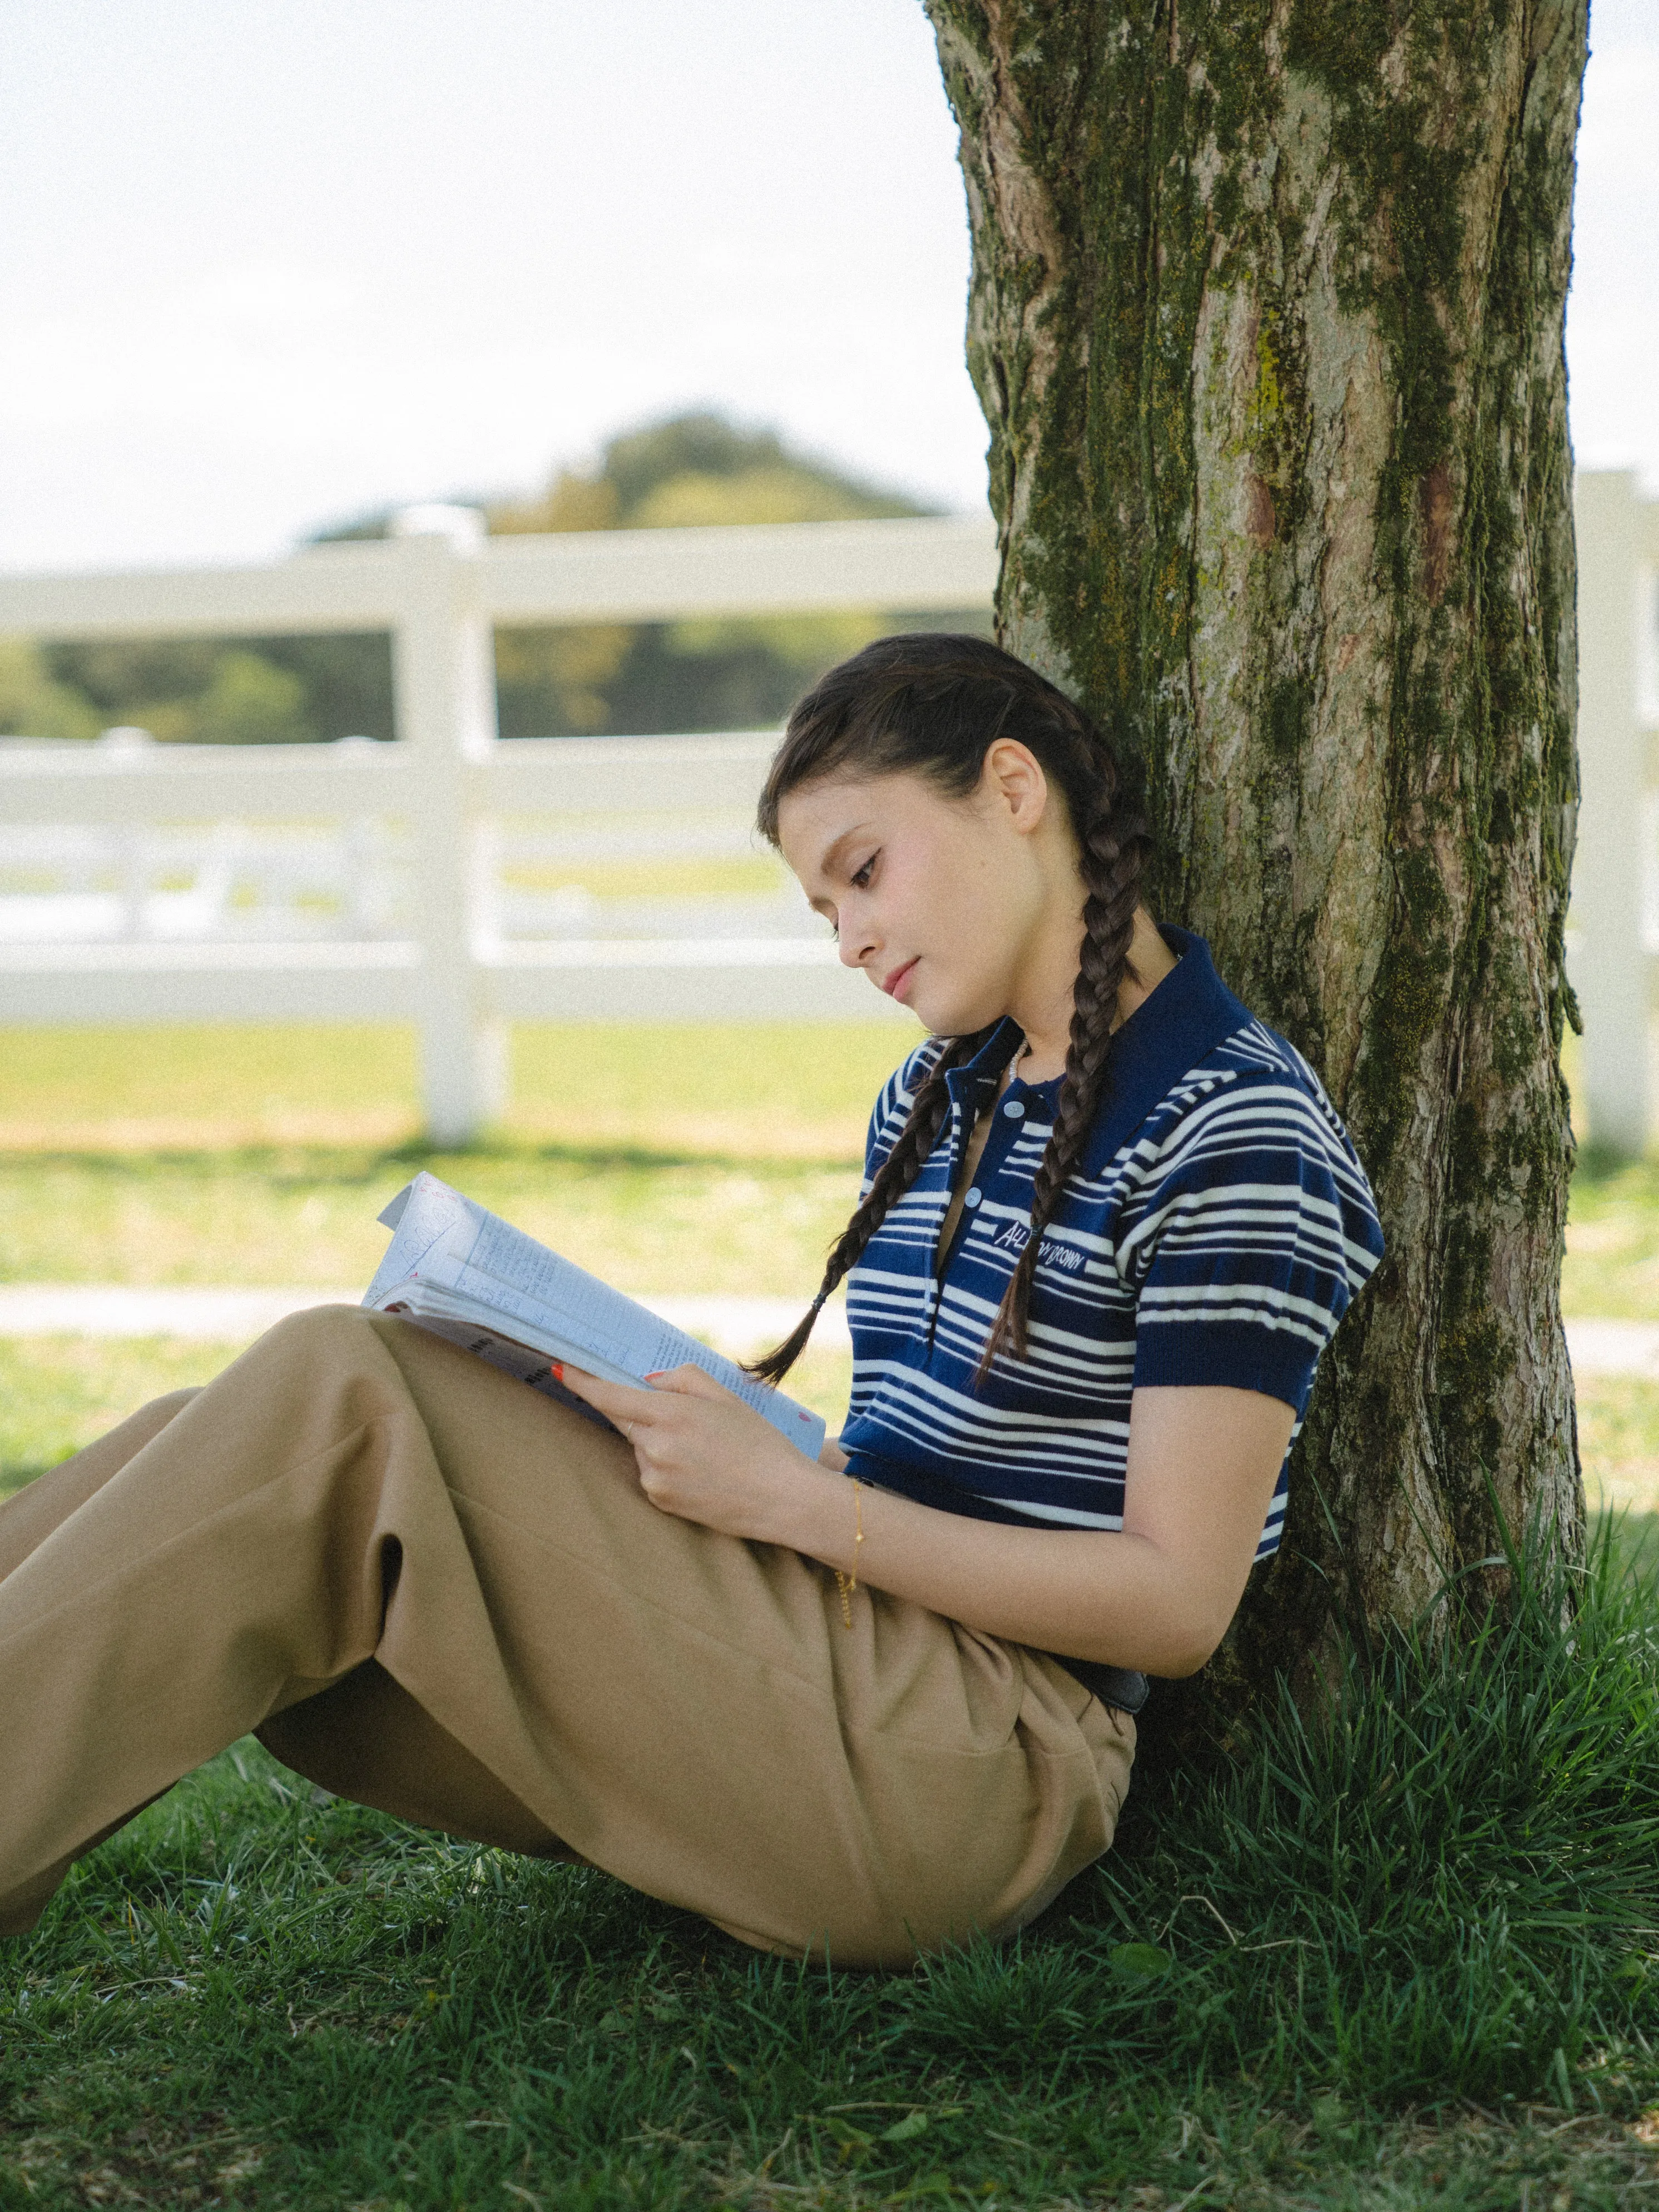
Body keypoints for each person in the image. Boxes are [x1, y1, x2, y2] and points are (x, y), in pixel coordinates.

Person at [0, 635, 1384, 1968]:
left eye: (863, 871)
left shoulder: (1230, 1130)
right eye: (824, 910)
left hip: (982, 1769)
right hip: (849, 1656)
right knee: (231, 1440)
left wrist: (793, 1502)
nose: (848, 939)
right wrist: (702, 1434)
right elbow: (929, 1471)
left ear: (1014, 791)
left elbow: (1175, 1603)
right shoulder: (938, 1095)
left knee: (333, 1396)